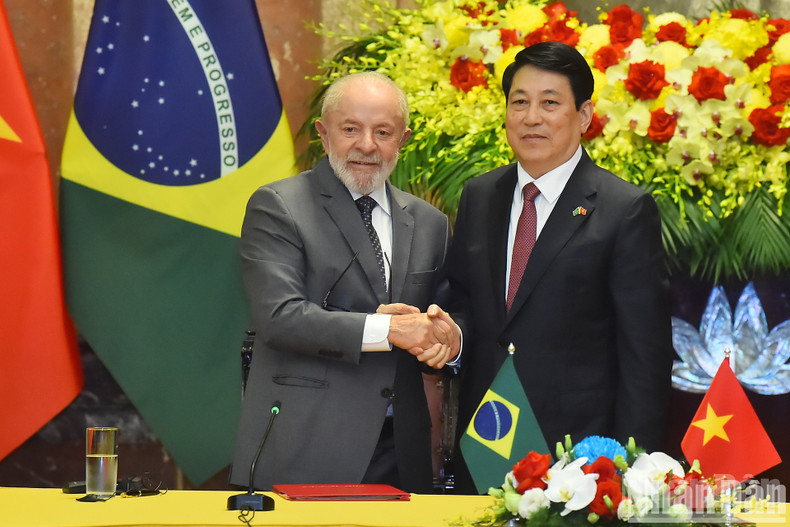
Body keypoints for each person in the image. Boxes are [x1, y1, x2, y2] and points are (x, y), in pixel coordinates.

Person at [447, 41, 673, 492]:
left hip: (581, 463)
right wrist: (446, 334)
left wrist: (631, 474)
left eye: (550, 103)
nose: (532, 117)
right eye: (520, 103)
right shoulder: (479, 196)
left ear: (585, 116)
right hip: (487, 443)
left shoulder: (623, 209)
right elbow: (464, 303)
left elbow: (644, 357)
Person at [229, 71, 460, 494]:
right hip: (309, 442)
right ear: (323, 133)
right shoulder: (279, 205)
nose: (367, 145)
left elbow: (445, 316)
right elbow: (278, 317)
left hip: (402, 452)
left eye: (383, 132)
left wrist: (449, 336)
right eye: (351, 129)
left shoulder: (430, 223)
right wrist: (388, 328)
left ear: (403, 140)